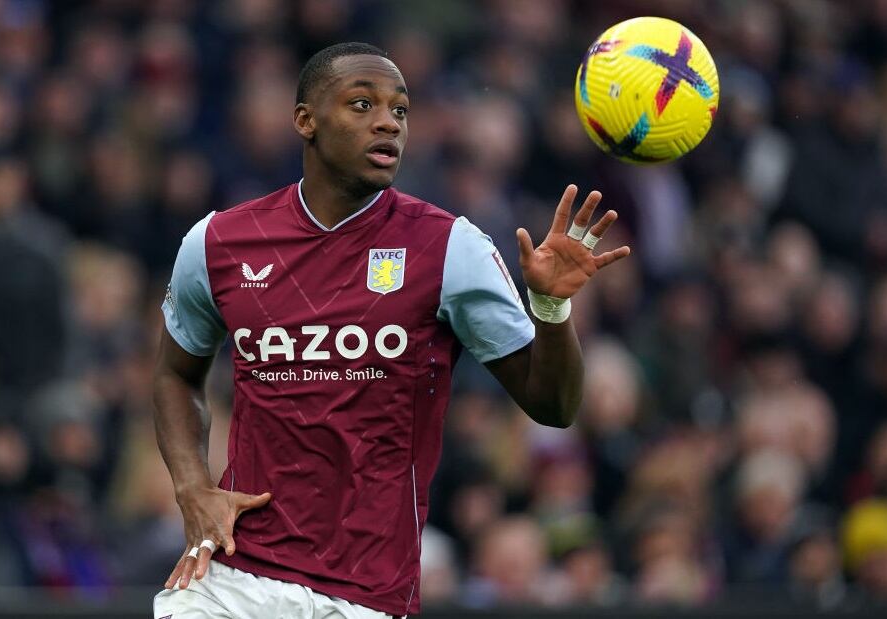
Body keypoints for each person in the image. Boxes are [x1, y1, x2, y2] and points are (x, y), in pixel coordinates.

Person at [152, 42, 630, 619]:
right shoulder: (218, 242)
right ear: (305, 120)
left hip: (366, 594)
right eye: (361, 105)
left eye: (399, 110)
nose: (387, 122)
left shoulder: (450, 248)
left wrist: (551, 309)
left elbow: (554, 406)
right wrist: (191, 487)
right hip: (233, 575)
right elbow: (176, 375)